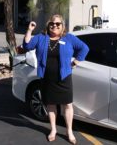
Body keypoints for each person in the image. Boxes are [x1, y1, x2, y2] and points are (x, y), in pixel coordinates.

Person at [23, 14, 89, 144]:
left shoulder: (68, 38)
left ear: (62, 26)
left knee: (67, 105)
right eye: (52, 23)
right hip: (47, 78)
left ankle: (69, 131)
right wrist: (30, 30)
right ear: (48, 25)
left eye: (58, 23)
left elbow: (84, 48)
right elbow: (27, 46)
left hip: (64, 77)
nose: (55, 25)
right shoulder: (41, 38)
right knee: (51, 104)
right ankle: (53, 129)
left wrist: (75, 62)